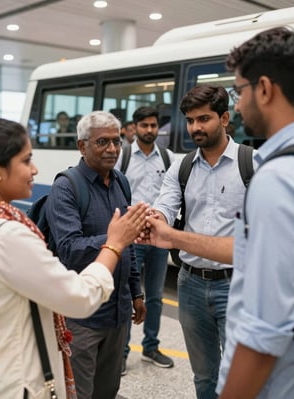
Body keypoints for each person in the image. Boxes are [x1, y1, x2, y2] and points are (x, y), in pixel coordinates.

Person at [0, 117, 148, 398]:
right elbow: (79, 296)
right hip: (10, 383)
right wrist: (114, 244)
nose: (35, 169)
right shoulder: (5, 235)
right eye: (26, 161)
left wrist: (134, 289)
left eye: (115, 141)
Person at [217, 26, 294, 399]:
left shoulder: (280, 180)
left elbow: (263, 331)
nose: (237, 105)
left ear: (264, 89)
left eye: (238, 91)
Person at [152, 84, 253, 399]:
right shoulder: (181, 167)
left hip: (237, 285)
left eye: (204, 119)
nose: (195, 127)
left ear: (224, 118)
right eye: (190, 120)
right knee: (204, 376)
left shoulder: (252, 164)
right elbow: (165, 208)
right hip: (191, 285)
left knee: (238, 377)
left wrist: (170, 236)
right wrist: (153, 219)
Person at [45, 111, 146, 399]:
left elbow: (129, 245)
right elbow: (70, 250)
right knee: (79, 393)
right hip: (82, 317)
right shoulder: (66, 187)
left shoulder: (120, 182)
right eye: (102, 142)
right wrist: (115, 237)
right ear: (82, 146)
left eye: (117, 142)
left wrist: (135, 292)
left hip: (118, 312)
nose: (113, 149)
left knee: (107, 391)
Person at [115, 106, 175, 375]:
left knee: (155, 297)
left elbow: (175, 192)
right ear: (135, 127)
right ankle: (123, 353)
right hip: (133, 238)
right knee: (128, 294)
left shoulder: (168, 157)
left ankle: (151, 347)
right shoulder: (123, 156)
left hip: (159, 240)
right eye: (144, 125)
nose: (150, 130)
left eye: (153, 126)